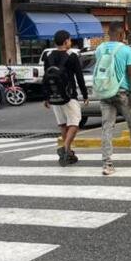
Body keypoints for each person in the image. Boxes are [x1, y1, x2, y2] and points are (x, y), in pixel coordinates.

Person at [92, 21, 131, 176]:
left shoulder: (99, 49)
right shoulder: (126, 50)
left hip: (105, 93)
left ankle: (107, 164)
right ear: (121, 34)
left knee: (107, 127)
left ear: (108, 33)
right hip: (123, 93)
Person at [42, 30, 88, 166]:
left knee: (63, 124)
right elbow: (79, 77)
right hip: (69, 95)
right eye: (70, 40)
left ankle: (68, 153)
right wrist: (85, 95)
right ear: (66, 41)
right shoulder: (72, 56)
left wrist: (46, 97)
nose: (70, 42)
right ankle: (66, 148)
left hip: (54, 96)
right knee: (75, 122)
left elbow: (45, 78)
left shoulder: (48, 56)